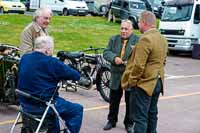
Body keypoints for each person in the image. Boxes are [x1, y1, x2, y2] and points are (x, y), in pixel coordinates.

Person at [18, 36, 83, 133]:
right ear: (47, 50)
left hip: (25, 103)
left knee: (53, 107)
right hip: (43, 104)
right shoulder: (52, 62)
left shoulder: (25, 58)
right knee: (77, 110)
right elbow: (76, 75)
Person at [121, 11, 168, 133]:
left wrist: (131, 82)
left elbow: (138, 66)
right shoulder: (162, 39)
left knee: (140, 117)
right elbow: (163, 62)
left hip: (145, 84)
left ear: (144, 22)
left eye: (139, 22)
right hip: (158, 82)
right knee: (152, 113)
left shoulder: (145, 39)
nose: (138, 24)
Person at [103, 19, 139, 131]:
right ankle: (111, 120)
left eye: (126, 29)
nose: (123, 31)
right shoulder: (114, 39)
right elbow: (106, 52)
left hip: (129, 76)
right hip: (116, 75)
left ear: (131, 30)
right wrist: (114, 58)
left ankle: (129, 123)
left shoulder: (138, 40)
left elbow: (141, 55)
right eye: (122, 28)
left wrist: (132, 62)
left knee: (130, 101)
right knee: (114, 99)